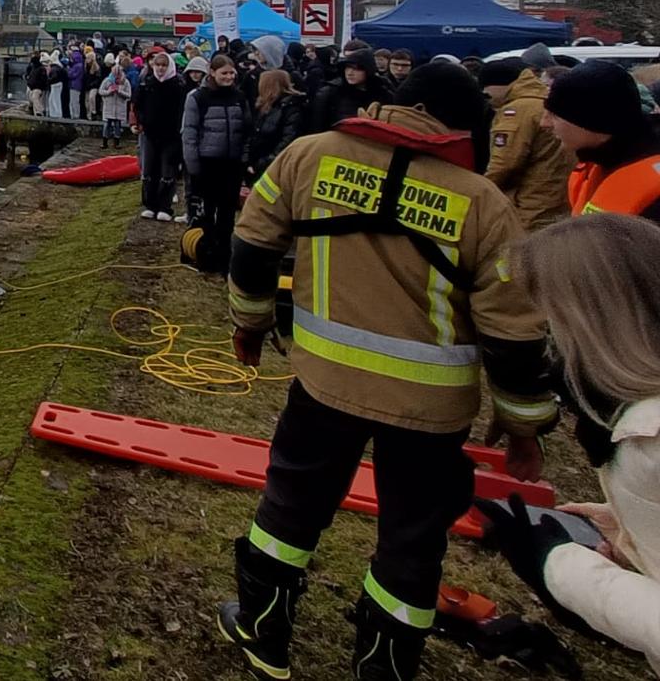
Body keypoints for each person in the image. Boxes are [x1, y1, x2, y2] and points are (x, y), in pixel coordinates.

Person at [220, 61, 558, 681]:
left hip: (323, 384)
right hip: (430, 408)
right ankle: (384, 669)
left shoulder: (309, 157)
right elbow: (514, 330)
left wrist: (250, 322)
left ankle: (261, 627)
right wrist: (523, 426)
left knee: (289, 509)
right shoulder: (481, 203)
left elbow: (252, 244)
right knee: (413, 540)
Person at [478, 213, 660, 675]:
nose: (546, 339)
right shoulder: (632, 419)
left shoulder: (651, 440)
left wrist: (559, 568)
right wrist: (634, 533)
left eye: (549, 319)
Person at [545, 61, 660, 221]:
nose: (544, 123)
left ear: (591, 121)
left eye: (555, 115)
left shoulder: (655, 197)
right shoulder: (598, 161)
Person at [480, 57, 574, 230]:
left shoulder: (517, 110)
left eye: (486, 92)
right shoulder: (545, 100)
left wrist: (479, 191)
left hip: (530, 204)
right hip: (559, 199)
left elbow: (505, 162)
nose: (488, 98)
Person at [181, 56, 252, 272]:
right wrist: (193, 166)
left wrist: (244, 158)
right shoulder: (198, 98)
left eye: (232, 73)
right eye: (224, 73)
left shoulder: (239, 98)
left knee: (227, 214)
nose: (229, 77)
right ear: (212, 72)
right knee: (207, 212)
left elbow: (247, 131)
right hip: (207, 163)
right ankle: (206, 254)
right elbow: (190, 133)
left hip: (231, 164)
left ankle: (224, 256)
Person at [134, 51, 191, 222]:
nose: (160, 68)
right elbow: (138, 104)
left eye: (163, 65)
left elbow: (182, 109)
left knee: (168, 171)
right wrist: (141, 121)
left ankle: (165, 206)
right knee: (150, 170)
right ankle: (150, 205)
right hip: (151, 133)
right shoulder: (147, 83)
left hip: (171, 135)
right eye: (157, 65)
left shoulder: (178, 85)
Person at [309, 48, 391, 133]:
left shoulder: (383, 92)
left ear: (368, 70)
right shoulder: (330, 93)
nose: (350, 73)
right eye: (347, 68)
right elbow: (316, 127)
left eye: (356, 69)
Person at [247, 70, 306, 181]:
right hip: (260, 163)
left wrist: (263, 163)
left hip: (274, 166)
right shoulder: (266, 106)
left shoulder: (291, 109)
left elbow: (287, 140)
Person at [99, 63, 133, 148]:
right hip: (109, 107)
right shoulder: (107, 80)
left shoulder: (125, 82)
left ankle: (116, 143)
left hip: (119, 108)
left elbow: (129, 95)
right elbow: (100, 91)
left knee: (118, 125)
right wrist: (109, 92)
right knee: (107, 125)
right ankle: (105, 142)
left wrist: (120, 91)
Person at [68, 48, 89, 121]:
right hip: (76, 85)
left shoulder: (77, 66)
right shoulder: (80, 65)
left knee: (74, 101)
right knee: (74, 101)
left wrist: (69, 70)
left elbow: (71, 74)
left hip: (74, 85)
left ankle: (75, 115)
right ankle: (74, 114)